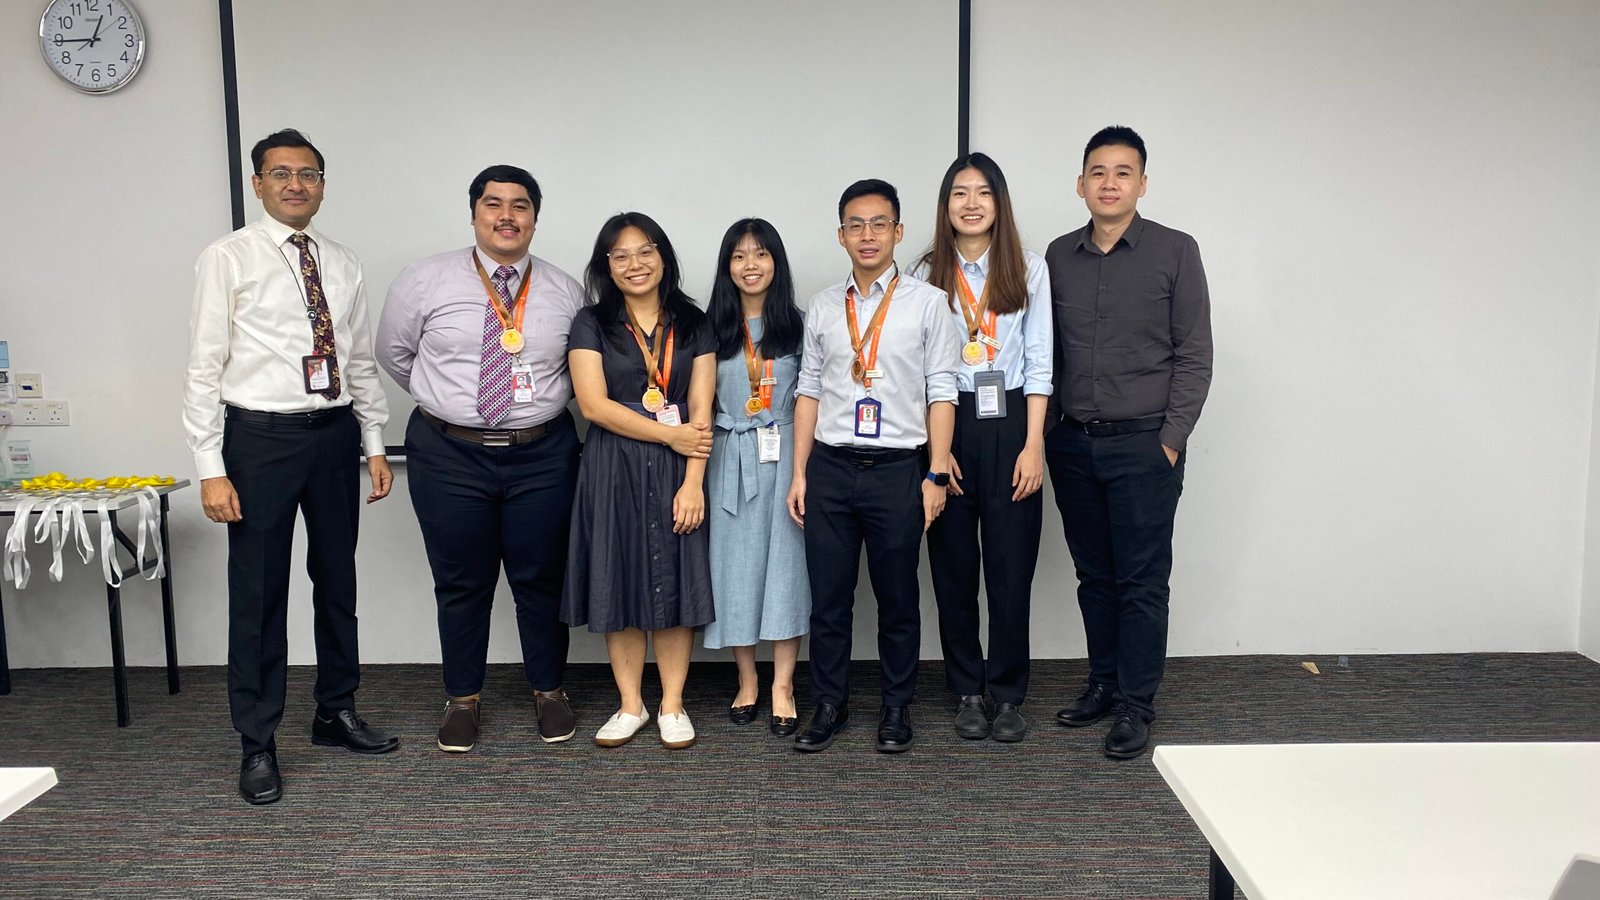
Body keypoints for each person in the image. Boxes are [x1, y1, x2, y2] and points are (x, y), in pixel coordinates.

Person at [183, 128, 397, 806]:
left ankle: (336, 710)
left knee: (337, 582)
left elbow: (356, 359)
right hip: (259, 441)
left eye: (308, 173)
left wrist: (373, 441)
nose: (295, 184)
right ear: (258, 184)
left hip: (332, 436)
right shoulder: (228, 257)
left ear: (323, 185)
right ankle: (257, 742)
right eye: (281, 173)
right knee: (259, 594)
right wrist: (210, 466)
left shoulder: (342, 260)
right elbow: (203, 367)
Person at [376, 165, 585, 753]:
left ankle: (549, 690)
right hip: (449, 454)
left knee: (540, 579)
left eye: (520, 206)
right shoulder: (424, 280)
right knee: (461, 581)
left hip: (542, 454)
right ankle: (462, 698)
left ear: (535, 219)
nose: (506, 216)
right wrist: (451, 406)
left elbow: (582, 369)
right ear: (474, 213)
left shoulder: (567, 291)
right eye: (493, 204)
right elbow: (393, 354)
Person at [1044, 126, 1213, 759]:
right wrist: (1047, 433)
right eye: (1098, 172)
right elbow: (1044, 352)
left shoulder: (1175, 251)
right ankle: (1103, 684)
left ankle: (1136, 705)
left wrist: (1171, 440)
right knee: (1094, 575)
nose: (1109, 183)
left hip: (1145, 445)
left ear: (1142, 183)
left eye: (1122, 173)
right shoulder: (1058, 257)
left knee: (1142, 580)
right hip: (1073, 445)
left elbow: (1195, 354)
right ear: (1080, 184)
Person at [787, 179, 963, 754]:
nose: (868, 235)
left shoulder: (928, 303)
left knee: (898, 598)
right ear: (841, 235)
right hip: (831, 469)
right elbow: (808, 390)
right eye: (856, 225)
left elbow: (942, 391)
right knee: (829, 600)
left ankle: (896, 707)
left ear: (898, 232)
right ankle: (829, 704)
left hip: (897, 471)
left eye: (879, 223)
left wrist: (937, 473)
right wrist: (800, 473)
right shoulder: (822, 306)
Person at [911, 153, 1053, 743]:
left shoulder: (1029, 268)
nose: (971, 204)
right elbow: (918, 369)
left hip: (1012, 421)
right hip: (948, 421)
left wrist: (1033, 444)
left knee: (1011, 570)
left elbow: (1041, 361)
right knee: (953, 569)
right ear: (945, 206)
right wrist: (937, 451)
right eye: (959, 193)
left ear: (1000, 203)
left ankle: (1009, 693)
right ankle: (967, 688)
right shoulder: (925, 273)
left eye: (983, 193)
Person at [562, 212, 717, 750]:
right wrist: (670, 436)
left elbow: (702, 409)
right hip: (613, 466)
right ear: (606, 265)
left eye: (645, 251)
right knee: (618, 575)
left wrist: (693, 482)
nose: (635, 264)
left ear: (663, 257)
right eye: (621, 255)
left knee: (676, 580)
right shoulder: (591, 322)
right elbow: (593, 405)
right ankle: (631, 704)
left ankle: (672, 703)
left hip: (679, 468)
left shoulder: (694, 322)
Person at [703, 218, 808, 736]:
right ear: (727, 266)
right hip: (729, 455)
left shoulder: (799, 326)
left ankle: (782, 685)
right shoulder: (710, 329)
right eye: (740, 255)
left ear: (776, 262)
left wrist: (804, 470)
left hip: (786, 454)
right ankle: (746, 679)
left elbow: (811, 399)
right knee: (735, 568)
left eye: (761, 254)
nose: (751, 265)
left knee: (787, 568)